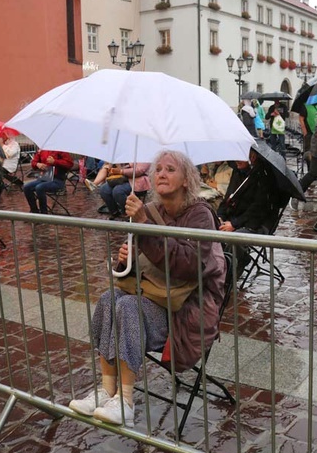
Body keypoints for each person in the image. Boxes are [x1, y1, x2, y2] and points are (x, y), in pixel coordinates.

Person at [68, 150, 226, 426]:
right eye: (158, 170)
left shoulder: (200, 216)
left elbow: (187, 265)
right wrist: (123, 261)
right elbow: (137, 269)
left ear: (187, 179)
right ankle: (107, 391)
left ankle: (126, 400)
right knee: (109, 299)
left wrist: (144, 226)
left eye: (170, 169)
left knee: (128, 306)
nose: (162, 174)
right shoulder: (151, 211)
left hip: (187, 306)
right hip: (154, 294)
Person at [216, 147, 278, 273]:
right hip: (235, 217)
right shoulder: (238, 172)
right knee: (210, 229)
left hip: (256, 224)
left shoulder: (263, 176)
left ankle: (228, 273)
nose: (236, 161)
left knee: (234, 240)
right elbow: (228, 198)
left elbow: (257, 209)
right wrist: (220, 216)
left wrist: (234, 224)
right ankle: (220, 266)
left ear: (253, 157)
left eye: (240, 156)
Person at [23, 149, 74, 214]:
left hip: (57, 179)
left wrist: (55, 161)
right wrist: (38, 164)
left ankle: (44, 213)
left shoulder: (60, 150)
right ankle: (34, 211)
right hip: (44, 178)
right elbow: (33, 162)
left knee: (39, 187)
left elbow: (69, 164)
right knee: (26, 187)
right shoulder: (42, 150)